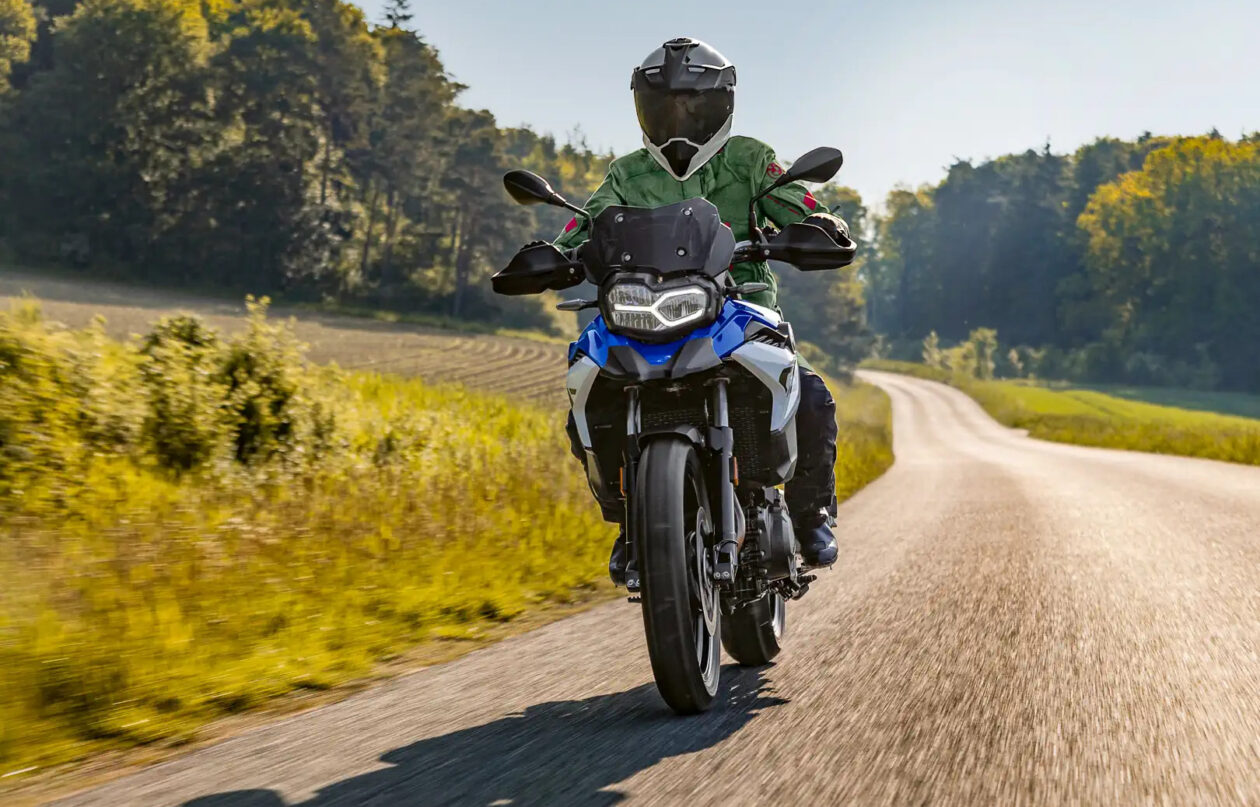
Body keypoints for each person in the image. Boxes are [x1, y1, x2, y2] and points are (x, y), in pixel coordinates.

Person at [552, 37, 850, 586]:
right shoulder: (628, 174)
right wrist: (554, 252)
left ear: (722, 106)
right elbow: (585, 225)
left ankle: (812, 516)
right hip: (641, 312)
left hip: (739, 307)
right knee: (587, 389)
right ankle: (631, 519)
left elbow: (800, 202)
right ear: (644, 107)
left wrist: (822, 225)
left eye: (694, 105)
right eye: (667, 106)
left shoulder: (751, 160)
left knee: (811, 396)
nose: (681, 119)